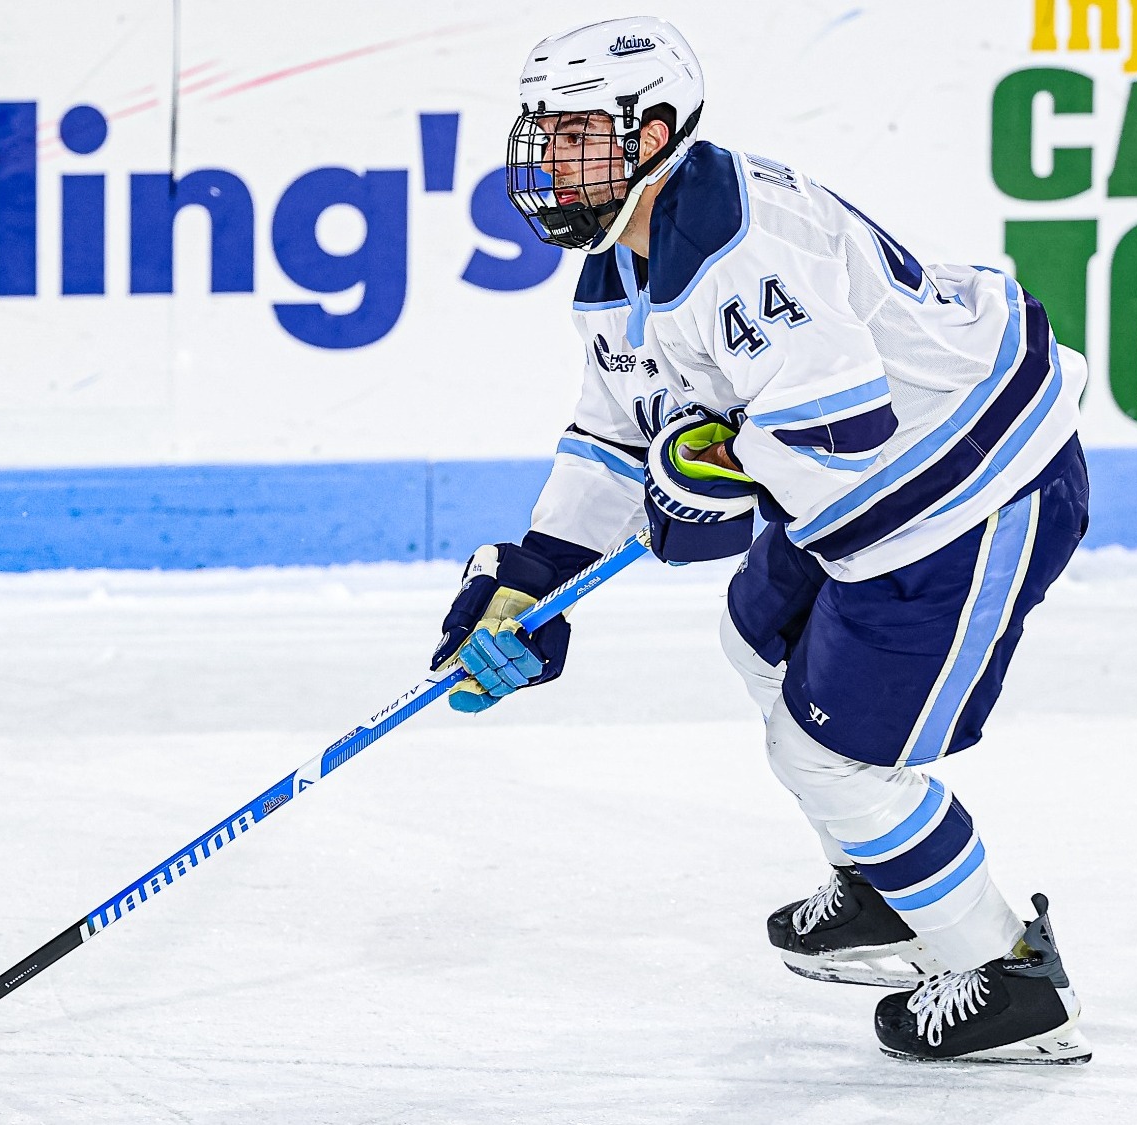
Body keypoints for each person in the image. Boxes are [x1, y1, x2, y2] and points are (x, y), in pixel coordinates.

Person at [429, 16, 1094, 1064]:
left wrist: (695, 496)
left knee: (831, 760)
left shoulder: (739, 253)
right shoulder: (620, 259)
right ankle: (888, 889)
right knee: (754, 640)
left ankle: (1008, 978)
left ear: (650, 134)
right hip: (880, 490)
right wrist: (535, 571)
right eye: (542, 134)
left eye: (574, 136)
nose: (550, 161)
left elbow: (836, 438)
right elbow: (616, 434)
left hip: (962, 493)